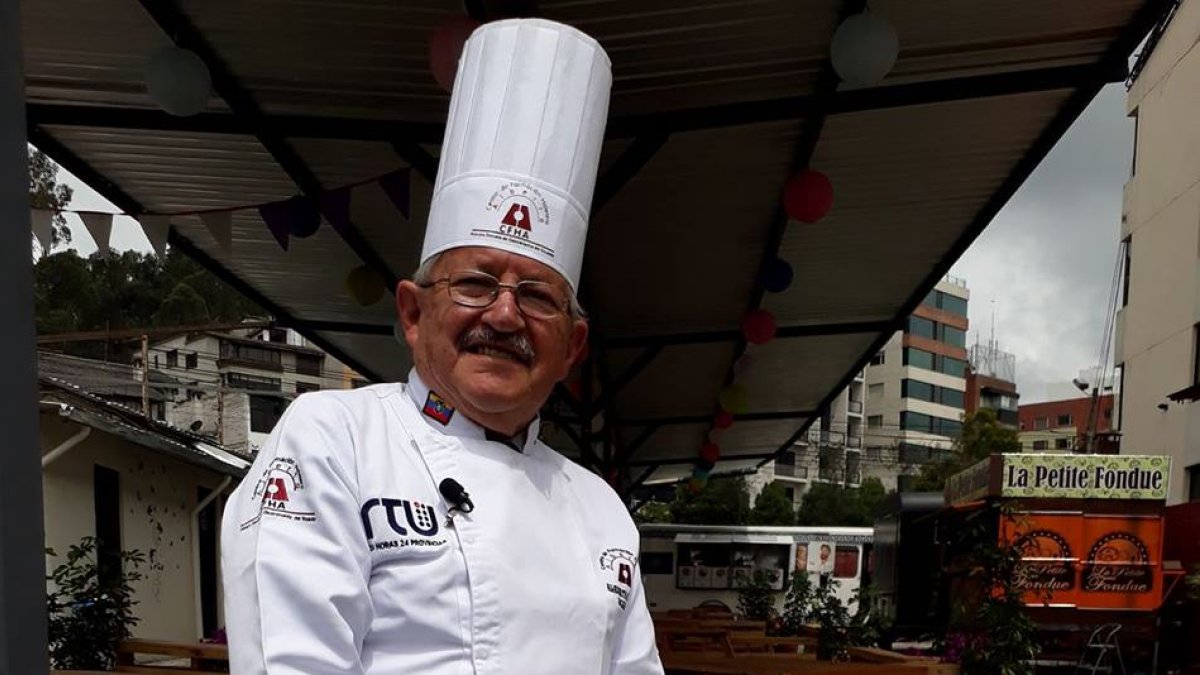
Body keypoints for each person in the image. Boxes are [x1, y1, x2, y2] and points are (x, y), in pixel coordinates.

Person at [221, 18, 664, 675]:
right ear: (413, 309)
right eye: (477, 283)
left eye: (538, 296)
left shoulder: (601, 510)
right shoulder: (331, 441)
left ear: (572, 346)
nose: (506, 314)